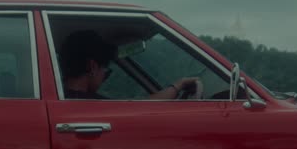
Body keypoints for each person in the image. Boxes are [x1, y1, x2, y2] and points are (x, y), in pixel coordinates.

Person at [58, 29, 201, 100]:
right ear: (93, 67)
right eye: (106, 73)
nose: (103, 80)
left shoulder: (64, 99)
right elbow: (143, 109)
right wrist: (179, 85)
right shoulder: (91, 105)